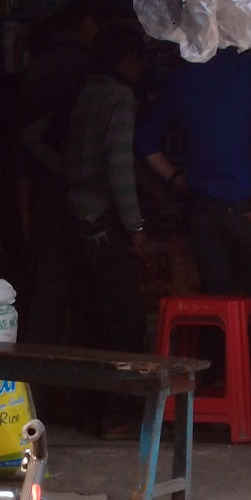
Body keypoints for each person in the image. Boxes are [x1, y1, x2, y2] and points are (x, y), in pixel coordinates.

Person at [137, 48, 251, 298]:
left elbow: (145, 143)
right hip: (249, 204)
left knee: (216, 300)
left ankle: (222, 338)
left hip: (201, 210)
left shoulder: (182, 78)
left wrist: (175, 177)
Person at [16, 0, 99, 345]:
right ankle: (82, 378)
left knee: (49, 284)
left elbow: (19, 147)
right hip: (86, 194)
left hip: (43, 191)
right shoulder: (91, 70)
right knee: (89, 287)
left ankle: (38, 381)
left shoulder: (34, 71)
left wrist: (25, 210)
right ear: (85, 23)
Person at [64, 21, 148, 358]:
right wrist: (136, 227)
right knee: (127, 315)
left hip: (76, 213)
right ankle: (121, 403)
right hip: (101, 218)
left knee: (93, 311)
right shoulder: (119, 97)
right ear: (129, 58)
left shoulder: (87, 92)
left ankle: (91, 403)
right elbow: (119, 168)